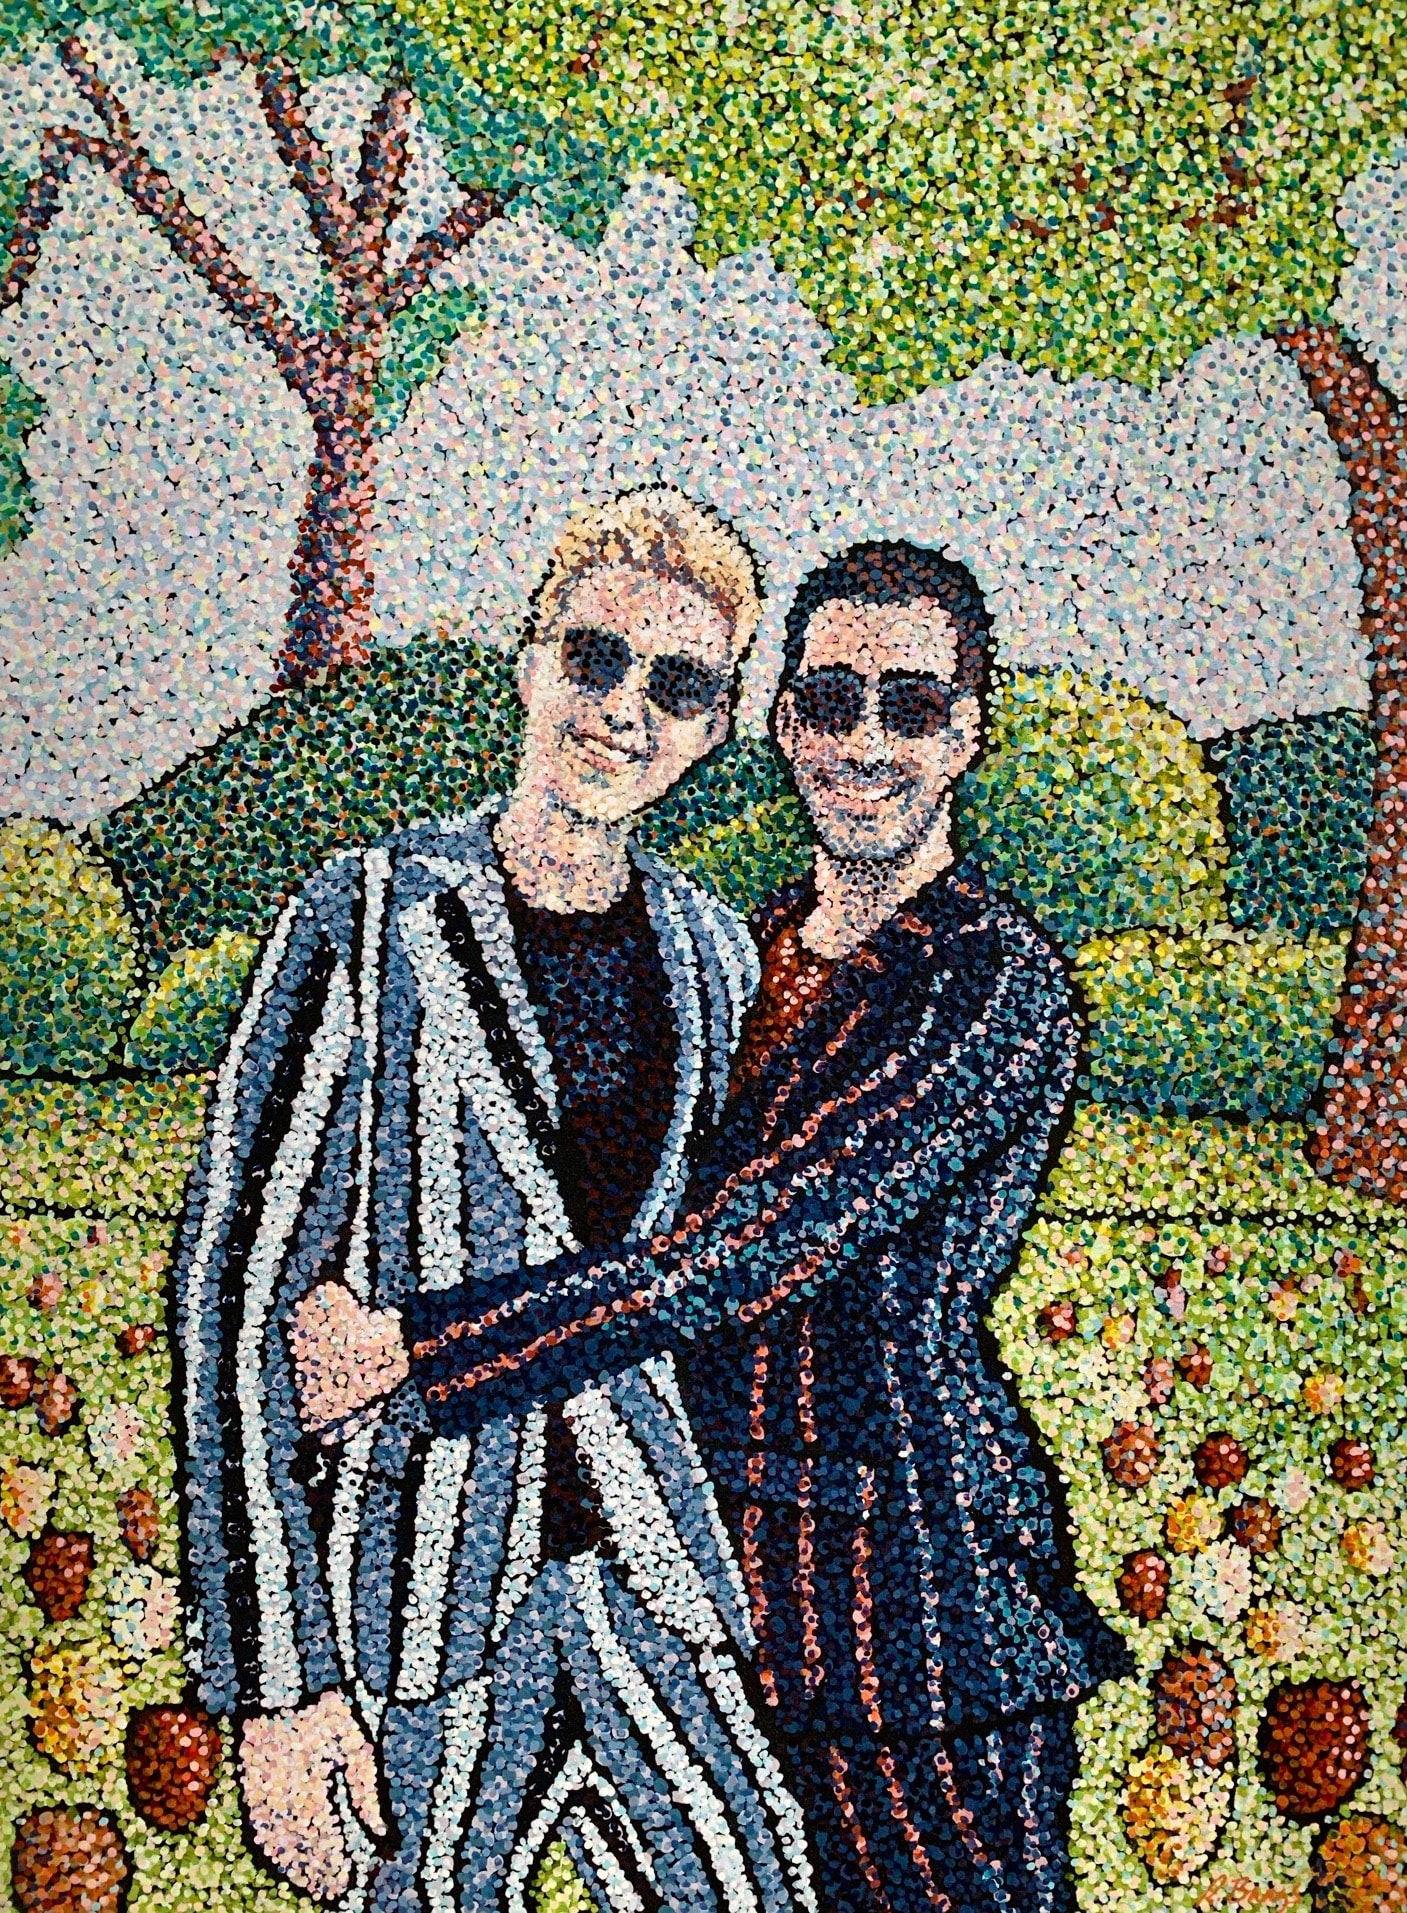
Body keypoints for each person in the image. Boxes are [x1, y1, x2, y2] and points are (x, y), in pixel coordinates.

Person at [296, 541, 1132, 1912]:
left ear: (967, 733)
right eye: (833, 701)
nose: (867, 743)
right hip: (714, 1589)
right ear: (784, 722)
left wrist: (417, 1347)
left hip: (913, 1613)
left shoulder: (990, 980)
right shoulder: (738, 952)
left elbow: (745, 1251)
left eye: (912, 707)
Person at [173, 488, 820, 1913]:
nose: (624, 710)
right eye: (595, 658)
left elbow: (710, 1289)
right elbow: (239, 1302)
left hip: (654, 1574)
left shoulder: (716, 958)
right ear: (530, 663)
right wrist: (278, 1686)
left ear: (717, 726)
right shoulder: (369, 915)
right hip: (422, 1600)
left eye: (678, 685)